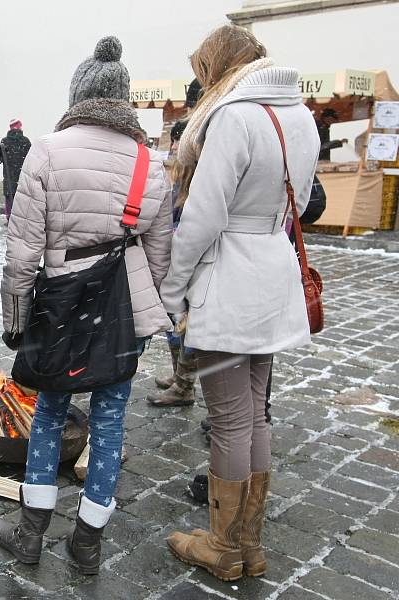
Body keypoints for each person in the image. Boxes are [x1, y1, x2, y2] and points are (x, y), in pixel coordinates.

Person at [0, 36, 173, 575]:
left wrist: (15, 318)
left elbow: (22, 250)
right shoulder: (151, 162)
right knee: (111, 418)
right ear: (124, 100)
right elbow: (160, 258)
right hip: (123, 308)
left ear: (78, 95)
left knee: (49, 411)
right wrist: (137, 310)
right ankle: (88, 541)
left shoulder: (47, 150)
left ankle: (30, 533)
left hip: (60, 303)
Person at [159, 25, 319, 581]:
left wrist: (173, 287)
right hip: (271, 276)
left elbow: (203, 216)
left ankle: (223, 546)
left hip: (229, 281)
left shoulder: (234, 116)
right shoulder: (300, 115)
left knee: (230, 418)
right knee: (254, 413)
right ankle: (249, 545)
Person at [147, 119, 197, 407]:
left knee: (186, 324)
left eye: (179, 141)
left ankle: (185, 385)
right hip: (173, 260)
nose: (174, 146)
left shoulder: (198, 178)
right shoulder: (180, 176)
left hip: (188, 263)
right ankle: (180, 375)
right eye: (174, 140)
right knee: (174, 323)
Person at [0, 119, 31, 218]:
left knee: (9, 195)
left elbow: (0, 157)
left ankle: (9, 216)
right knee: (22, 195)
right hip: (22, 172)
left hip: (9, 174)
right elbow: (31, 157)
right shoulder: (25, 141)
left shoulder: (4, 141)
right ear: (20, 127)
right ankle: (22, 216)